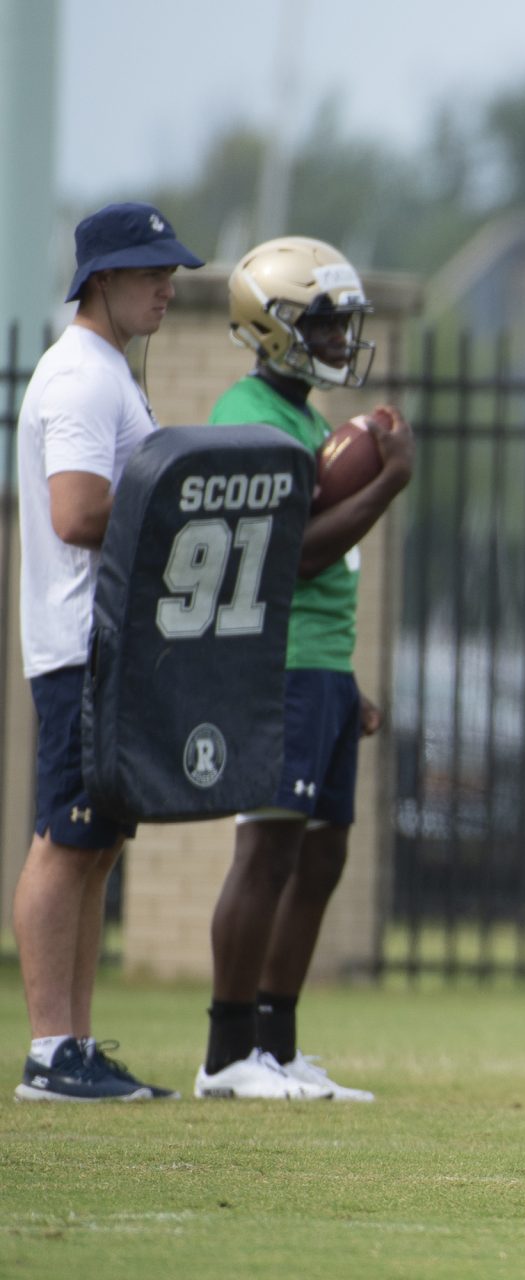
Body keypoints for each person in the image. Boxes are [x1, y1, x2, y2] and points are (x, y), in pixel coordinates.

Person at [193, 236, 413, 1101]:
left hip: (318, 667)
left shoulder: (309, 420)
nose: (338, 336)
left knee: (320, 859)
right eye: (322, 320)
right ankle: (225, 1052)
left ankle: (276, 1046)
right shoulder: (250, 416)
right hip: (274, 666)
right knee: (267, 853)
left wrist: (346, 678)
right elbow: (293, 560)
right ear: (271, 325)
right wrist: (388, 482)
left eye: (343, 320)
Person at [14, 202, 203, 1101]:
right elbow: (76, 513)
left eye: (170, 270)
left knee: (98, 844)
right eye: (149, 271)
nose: (167, 285)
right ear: (101, 280)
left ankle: (76, 1045)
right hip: (79, 648)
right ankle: (51, 1051)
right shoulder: (83, 378)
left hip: (108, 648)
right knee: (64, 839)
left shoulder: (109, 372)